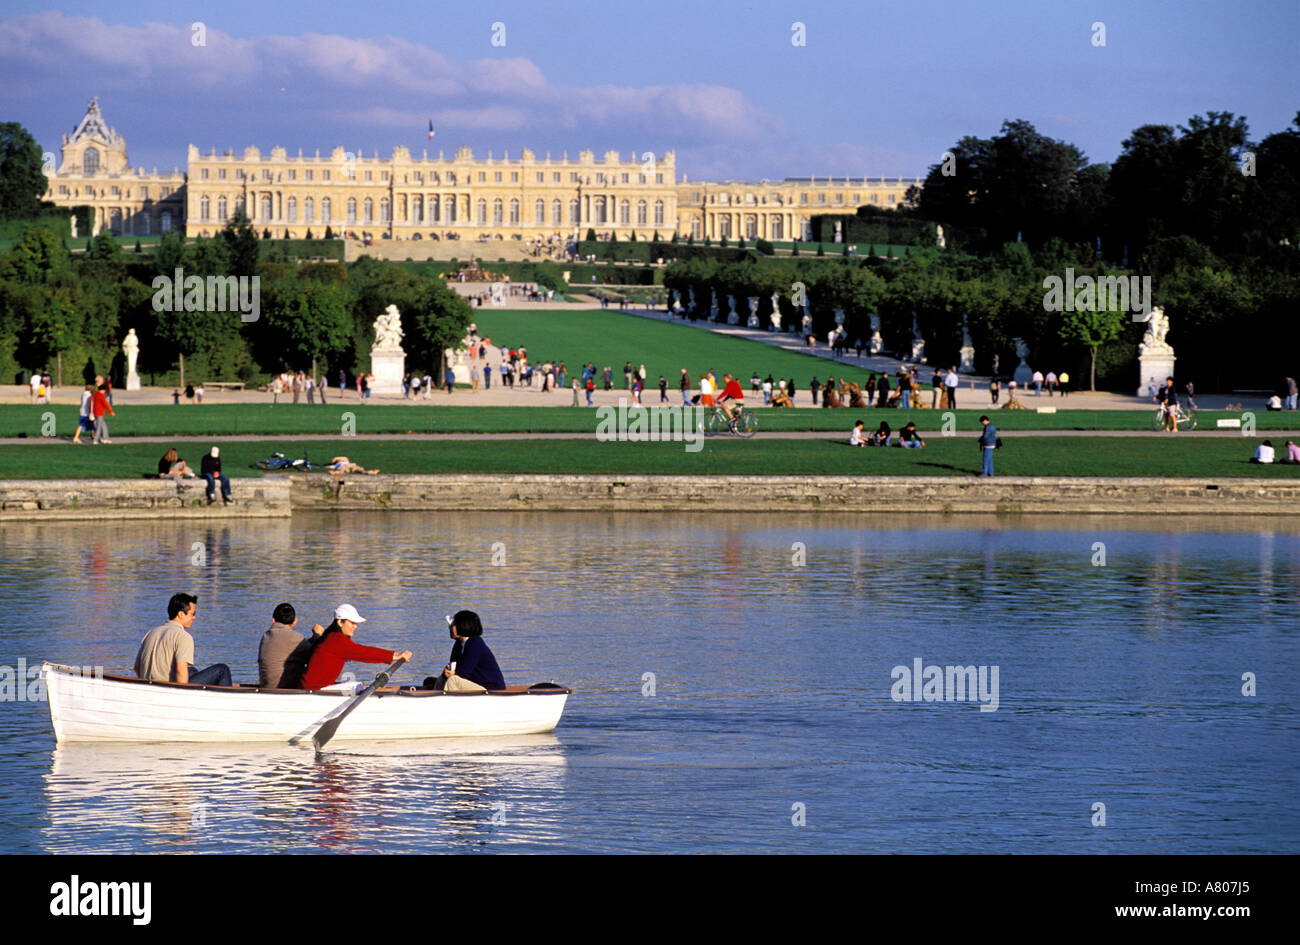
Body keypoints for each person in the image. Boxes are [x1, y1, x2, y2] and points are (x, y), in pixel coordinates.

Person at [299, 604, 413, 691]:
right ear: (340, 622)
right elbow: (364, 653)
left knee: (356, 686)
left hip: (314, 686)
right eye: (352, 623)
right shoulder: (336, 640)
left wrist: (394, 655)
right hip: (313, 689)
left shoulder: (331, 637)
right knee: (357, 686)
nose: (355, 627)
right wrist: (395, 656)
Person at [135, 593, 231, 686]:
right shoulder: (183, 636)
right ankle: (226, 700)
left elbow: (137, 667)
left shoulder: (150, 633)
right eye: (192, 614)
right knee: (222, 670)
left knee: (191, 670)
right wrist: (181, 693)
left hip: (149, 685)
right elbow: (180, 670)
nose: (194, 617)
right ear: (181, 614)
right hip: (169, 689)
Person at [424, 610, 505, 692]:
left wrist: (452, 675)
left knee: (453, 681)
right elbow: (454, 665)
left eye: (453, 624)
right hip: (473, 684)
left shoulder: (475, 643)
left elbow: (463, 674)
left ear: (463, 626)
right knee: (429, 681)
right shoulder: (459, 644)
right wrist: (447, 674)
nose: (450, 627)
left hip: (490, 688)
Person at [258, 602, 324, 689]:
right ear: (295, 621)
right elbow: (314, 655)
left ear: (273, 620)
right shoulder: (295, 637)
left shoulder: (266, 636)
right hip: (285, 688)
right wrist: (317, 635)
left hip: (266, 687)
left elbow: (296, 648)